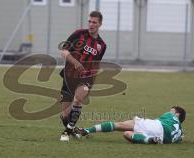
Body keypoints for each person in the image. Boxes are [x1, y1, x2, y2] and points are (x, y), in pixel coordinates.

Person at [59, 11, 107, 141]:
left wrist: (91, 82)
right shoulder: (78, 34)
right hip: (69, 76)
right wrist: (75, 63)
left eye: (94, 22)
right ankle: (72, 129)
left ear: (100, 24)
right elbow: (63, 51)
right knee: (64, 114)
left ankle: (66, 132)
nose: (91, 24)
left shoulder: (101, 46)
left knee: (78, 99)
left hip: (85, 78)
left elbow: (96, 65)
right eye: (89, 21)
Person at [75, 106, 186, 144]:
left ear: (177, 114)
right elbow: (180, 138)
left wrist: (137, 120)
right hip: (162, 137)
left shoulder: (171, 116)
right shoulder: (179, 134)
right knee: (127, 134)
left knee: (119, 125)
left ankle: (87, 130)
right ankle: (149, 140)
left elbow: (157, 122)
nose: (169, 111)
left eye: (172, 110)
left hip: (156, 127)